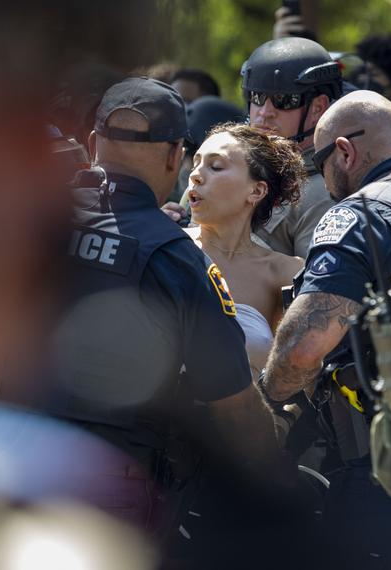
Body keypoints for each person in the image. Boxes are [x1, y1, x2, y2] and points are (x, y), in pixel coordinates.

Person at [53, 76, 282, 556]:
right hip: (107, 491)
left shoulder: (31, 219)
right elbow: (233, 404)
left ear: (94, 143)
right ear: (175, 156)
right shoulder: (175, 255)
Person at [260, 89, 391, 570]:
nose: (322, 176)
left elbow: (304, 347)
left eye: (319, 163)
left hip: (379, 471)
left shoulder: (356, 214)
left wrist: (268, 399)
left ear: (345, 151)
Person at [185, 123, 305, 377]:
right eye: (195, 163)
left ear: (256, 190)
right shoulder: (167, 249)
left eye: (215, 166)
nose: (195, 175)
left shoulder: (286, 273)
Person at [241, 36, 343, 258]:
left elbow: (314, 286)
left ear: (318, 108)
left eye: (284, 100)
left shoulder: (322, 191)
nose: (265, 111)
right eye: (257, 97)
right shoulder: (222, 167)